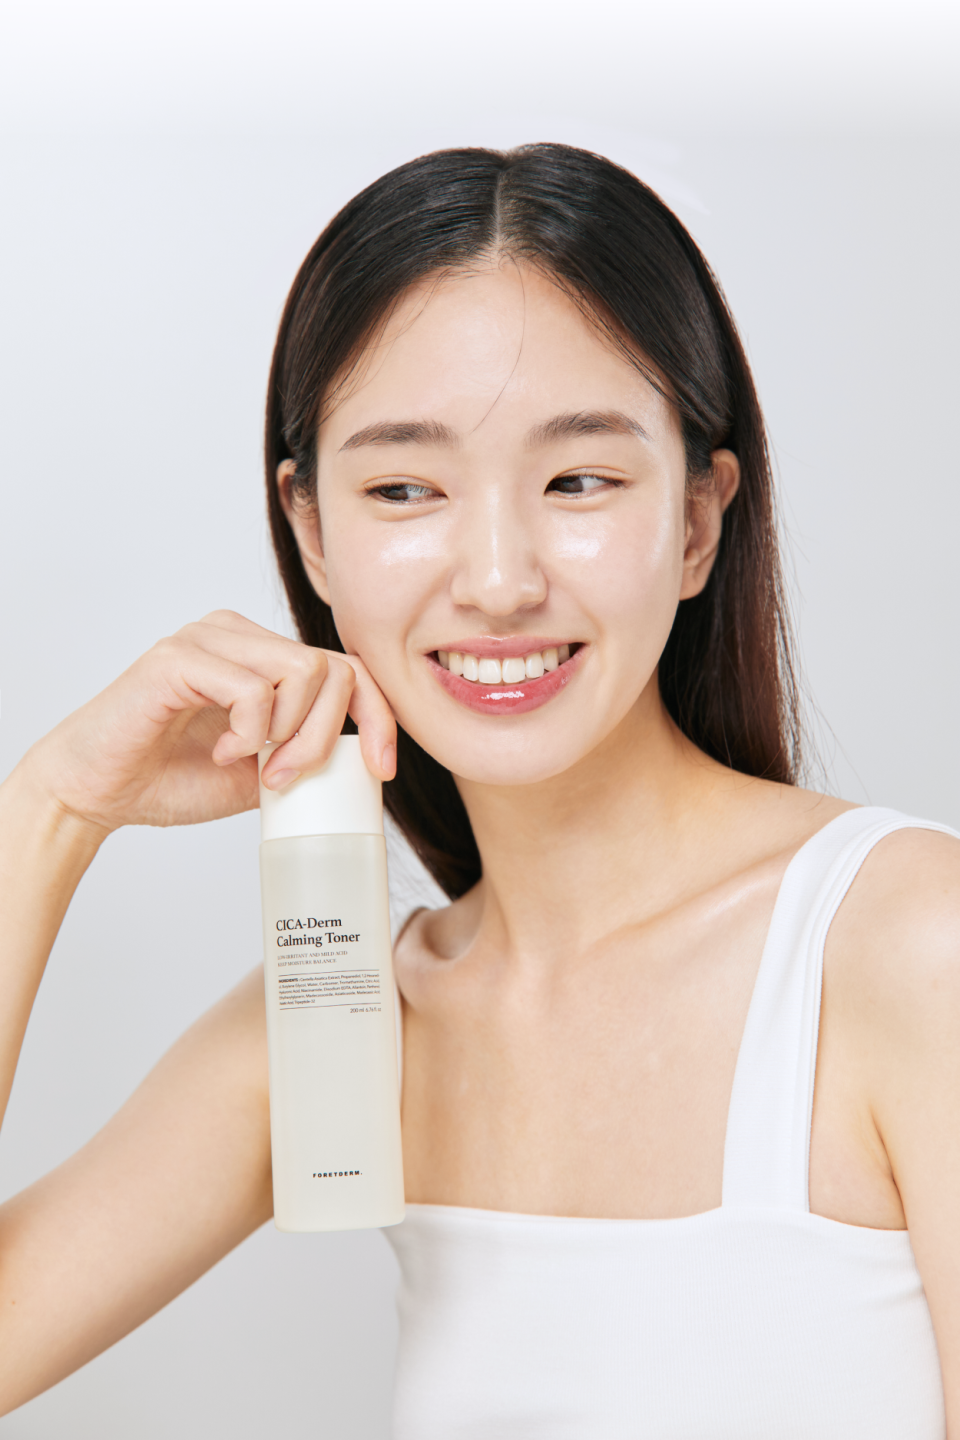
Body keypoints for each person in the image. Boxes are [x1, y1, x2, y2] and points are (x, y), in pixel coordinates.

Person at [0, 144, 957, 1437]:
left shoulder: (909, 948)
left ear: (696, 521)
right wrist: (53, 808)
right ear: (311, 532)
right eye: (406, 488)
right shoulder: (348, 1017)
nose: (499, 580)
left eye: (578, 480)